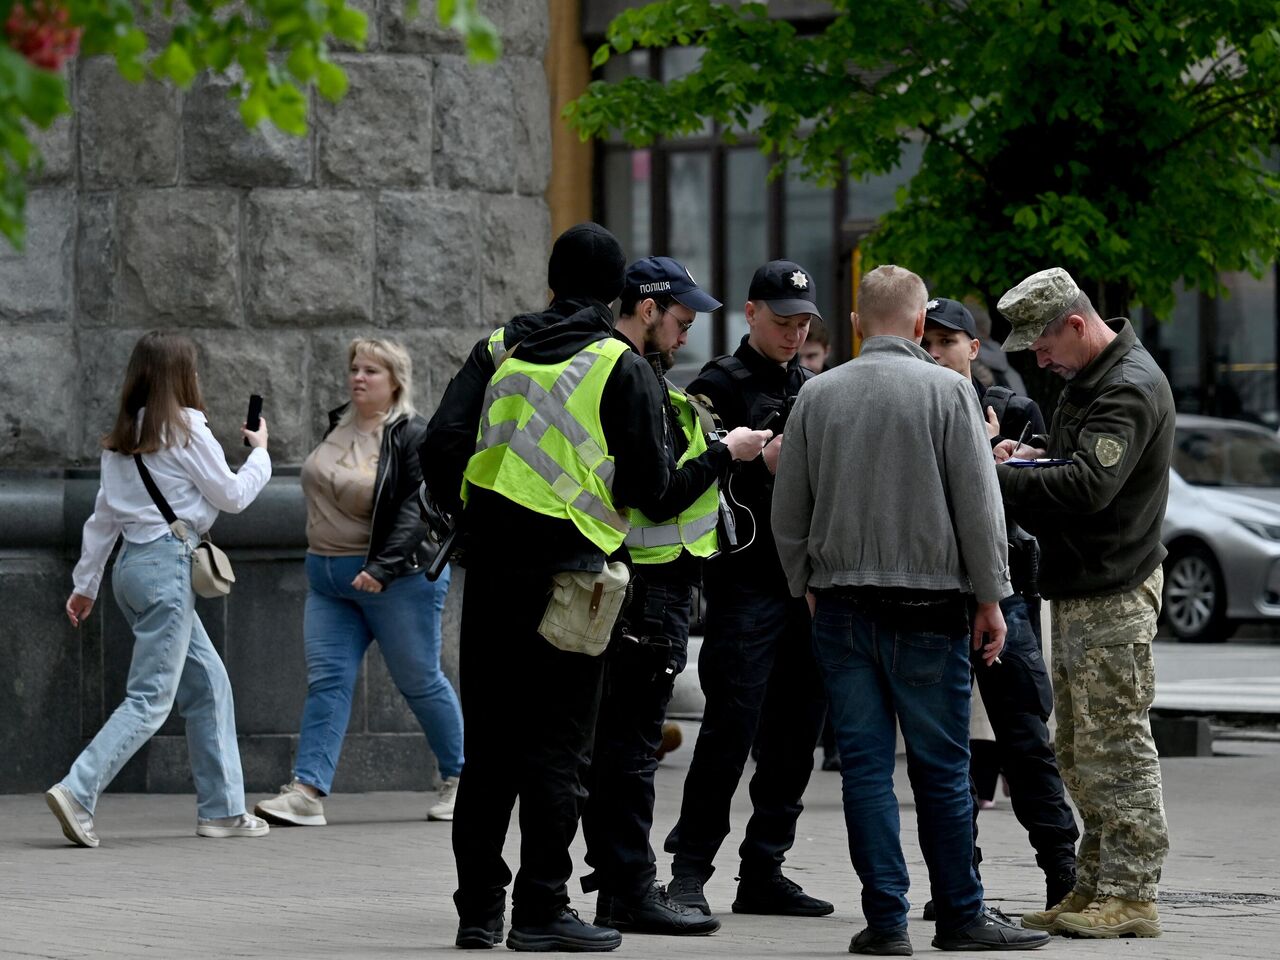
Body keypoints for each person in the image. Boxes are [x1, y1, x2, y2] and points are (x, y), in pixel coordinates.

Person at [437, 225, 770, 952]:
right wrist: (720, 457)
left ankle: (476, 913)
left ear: (551, 280)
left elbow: (439, 447)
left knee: (489, 749)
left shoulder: (500, 348)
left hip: (490, 572)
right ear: (621, 293)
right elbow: (652, 489)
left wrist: (477, 513)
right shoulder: (617, 364)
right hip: (573, 580)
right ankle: (542, 911)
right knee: (559, 748)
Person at [771, 264, 1051, 954]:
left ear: (859, 323)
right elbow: (979, 508)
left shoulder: (819, 395)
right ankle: (960, 913)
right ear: (922, 324)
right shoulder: (952, 392)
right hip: (929, 607)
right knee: (942, 767)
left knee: (866, 768)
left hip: (841, 604)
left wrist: (804, 580)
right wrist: (992, 597)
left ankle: (887, 922)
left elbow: (789, 511)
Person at [993, 268, 1174, 939]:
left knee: (1116, 744)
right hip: (1083, 583)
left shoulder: (1126, 385)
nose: (1038, 361)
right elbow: (1071, 465)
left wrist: (998, 475)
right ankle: (1092, 885)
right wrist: (1033, 455)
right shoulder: (1092, 378)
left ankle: (1132, 895)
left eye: (1042, 348)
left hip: (1112, 586)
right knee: (1077, 746)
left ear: (1075, 323)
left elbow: (1091, 486)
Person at [50, 331, 272, 847]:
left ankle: (223, 811)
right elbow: (234, 496)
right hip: (169, 569)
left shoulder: (125, 435)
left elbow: (103, 519)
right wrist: (260, 453)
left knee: (209, 683)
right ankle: (77, 791)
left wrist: (85, 584)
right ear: (183, 376)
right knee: (151, 698)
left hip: (130, 570)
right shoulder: (188, 429)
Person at [663, 259, 832, 921]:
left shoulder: (815, 387)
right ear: (751, 313)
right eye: (783, 321)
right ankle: (689, 871)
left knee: (797, 735)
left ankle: (765, 868)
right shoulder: (716, 387)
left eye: (804, 323)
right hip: (745, 584)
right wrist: (755, 464)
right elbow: (689, 482)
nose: (794, 334)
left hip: (805, 586)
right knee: (729, 730)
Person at [581, 257, 734, 938]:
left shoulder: (608, 367)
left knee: (614, 746)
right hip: (648, 587)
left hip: (627, 582)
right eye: (679, 320)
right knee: (631, 749)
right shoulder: (631, 374)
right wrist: (730, 454)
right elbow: (658, 491)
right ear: (646, 309)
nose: (684, 335)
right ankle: (631, 890)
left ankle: (620, 885)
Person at [254, 338, 462, 827]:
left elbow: (418, 506)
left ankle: (461, 778)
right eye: (354, 368)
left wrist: (382, 567)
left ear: (395, 382)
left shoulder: (410, 434)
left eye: (371, 370)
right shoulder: (338, 425)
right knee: (327, 682)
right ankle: (306, 792)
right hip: (328, 580)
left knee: (419, 680)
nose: (358, 378)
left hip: (396, 581)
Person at [921, 298, 1079, 912]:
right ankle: (958, 887)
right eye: (926, 341)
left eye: (946, 341)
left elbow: (1043, 500)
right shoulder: (915, 406)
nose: (935, 353)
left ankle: (1063, 875)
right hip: (933, 594)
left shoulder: (1011, 409)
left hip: (1004, 594)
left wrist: (994, 457)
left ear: (973, 347)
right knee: (946, 753)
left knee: (1026, 741)